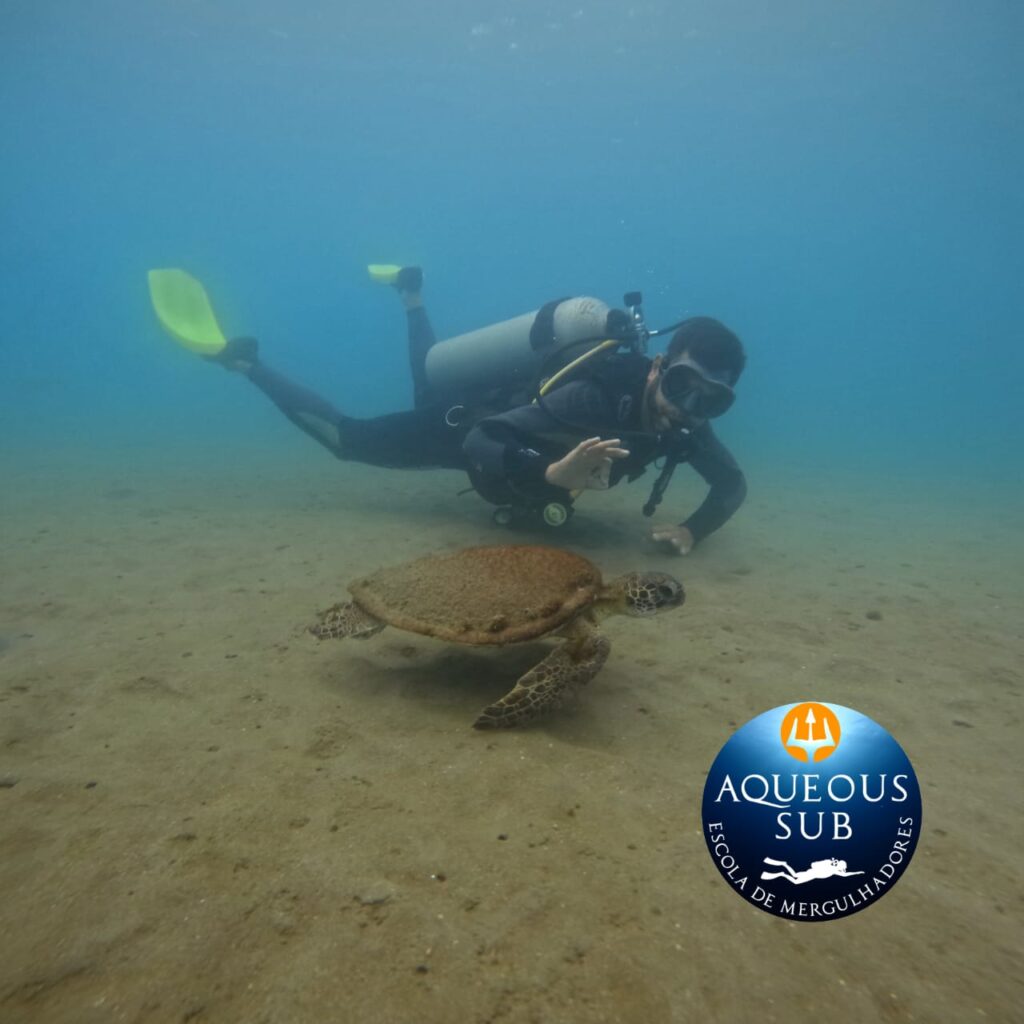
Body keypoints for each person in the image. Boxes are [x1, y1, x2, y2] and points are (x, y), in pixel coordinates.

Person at [210, 267, 747, 555]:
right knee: (346, 440)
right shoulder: (594, 395)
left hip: (510, 436)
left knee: (425, 377)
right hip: (469, 424)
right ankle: (247, 366)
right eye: (681, 386)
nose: (688, 410)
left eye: (711, 401)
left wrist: (693, 530)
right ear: (657, 368)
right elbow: (483, 441)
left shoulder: (687, 428)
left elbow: (730, 486)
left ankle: (410, 293)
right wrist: (551, 472)